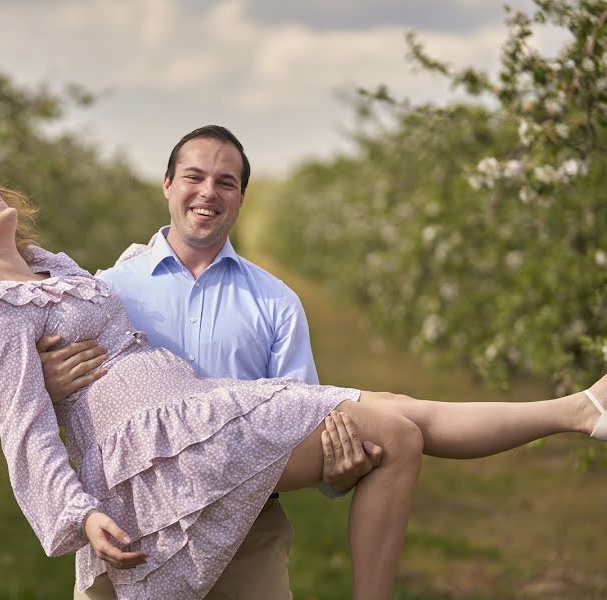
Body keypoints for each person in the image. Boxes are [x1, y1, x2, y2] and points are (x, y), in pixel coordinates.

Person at [0, 170, 607, 600]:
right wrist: (79, 514)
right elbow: (22, 430)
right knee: (400, 425)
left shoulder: (62, 272)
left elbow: (19, 382)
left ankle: (584, 411)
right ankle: (584, 411)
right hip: (166, 442)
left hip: (199, 409)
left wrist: (32, 375)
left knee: (399, 424)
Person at [35, 125, 376, 600]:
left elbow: (304, 424)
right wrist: (46, 383)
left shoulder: (276, 303)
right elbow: (31, 407)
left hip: (248, 537)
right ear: (167, 184)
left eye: (225, 182)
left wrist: (336, 473)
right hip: (129, 530)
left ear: (241, 197)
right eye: (194, 177)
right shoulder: (105, 292)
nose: (208, 193)